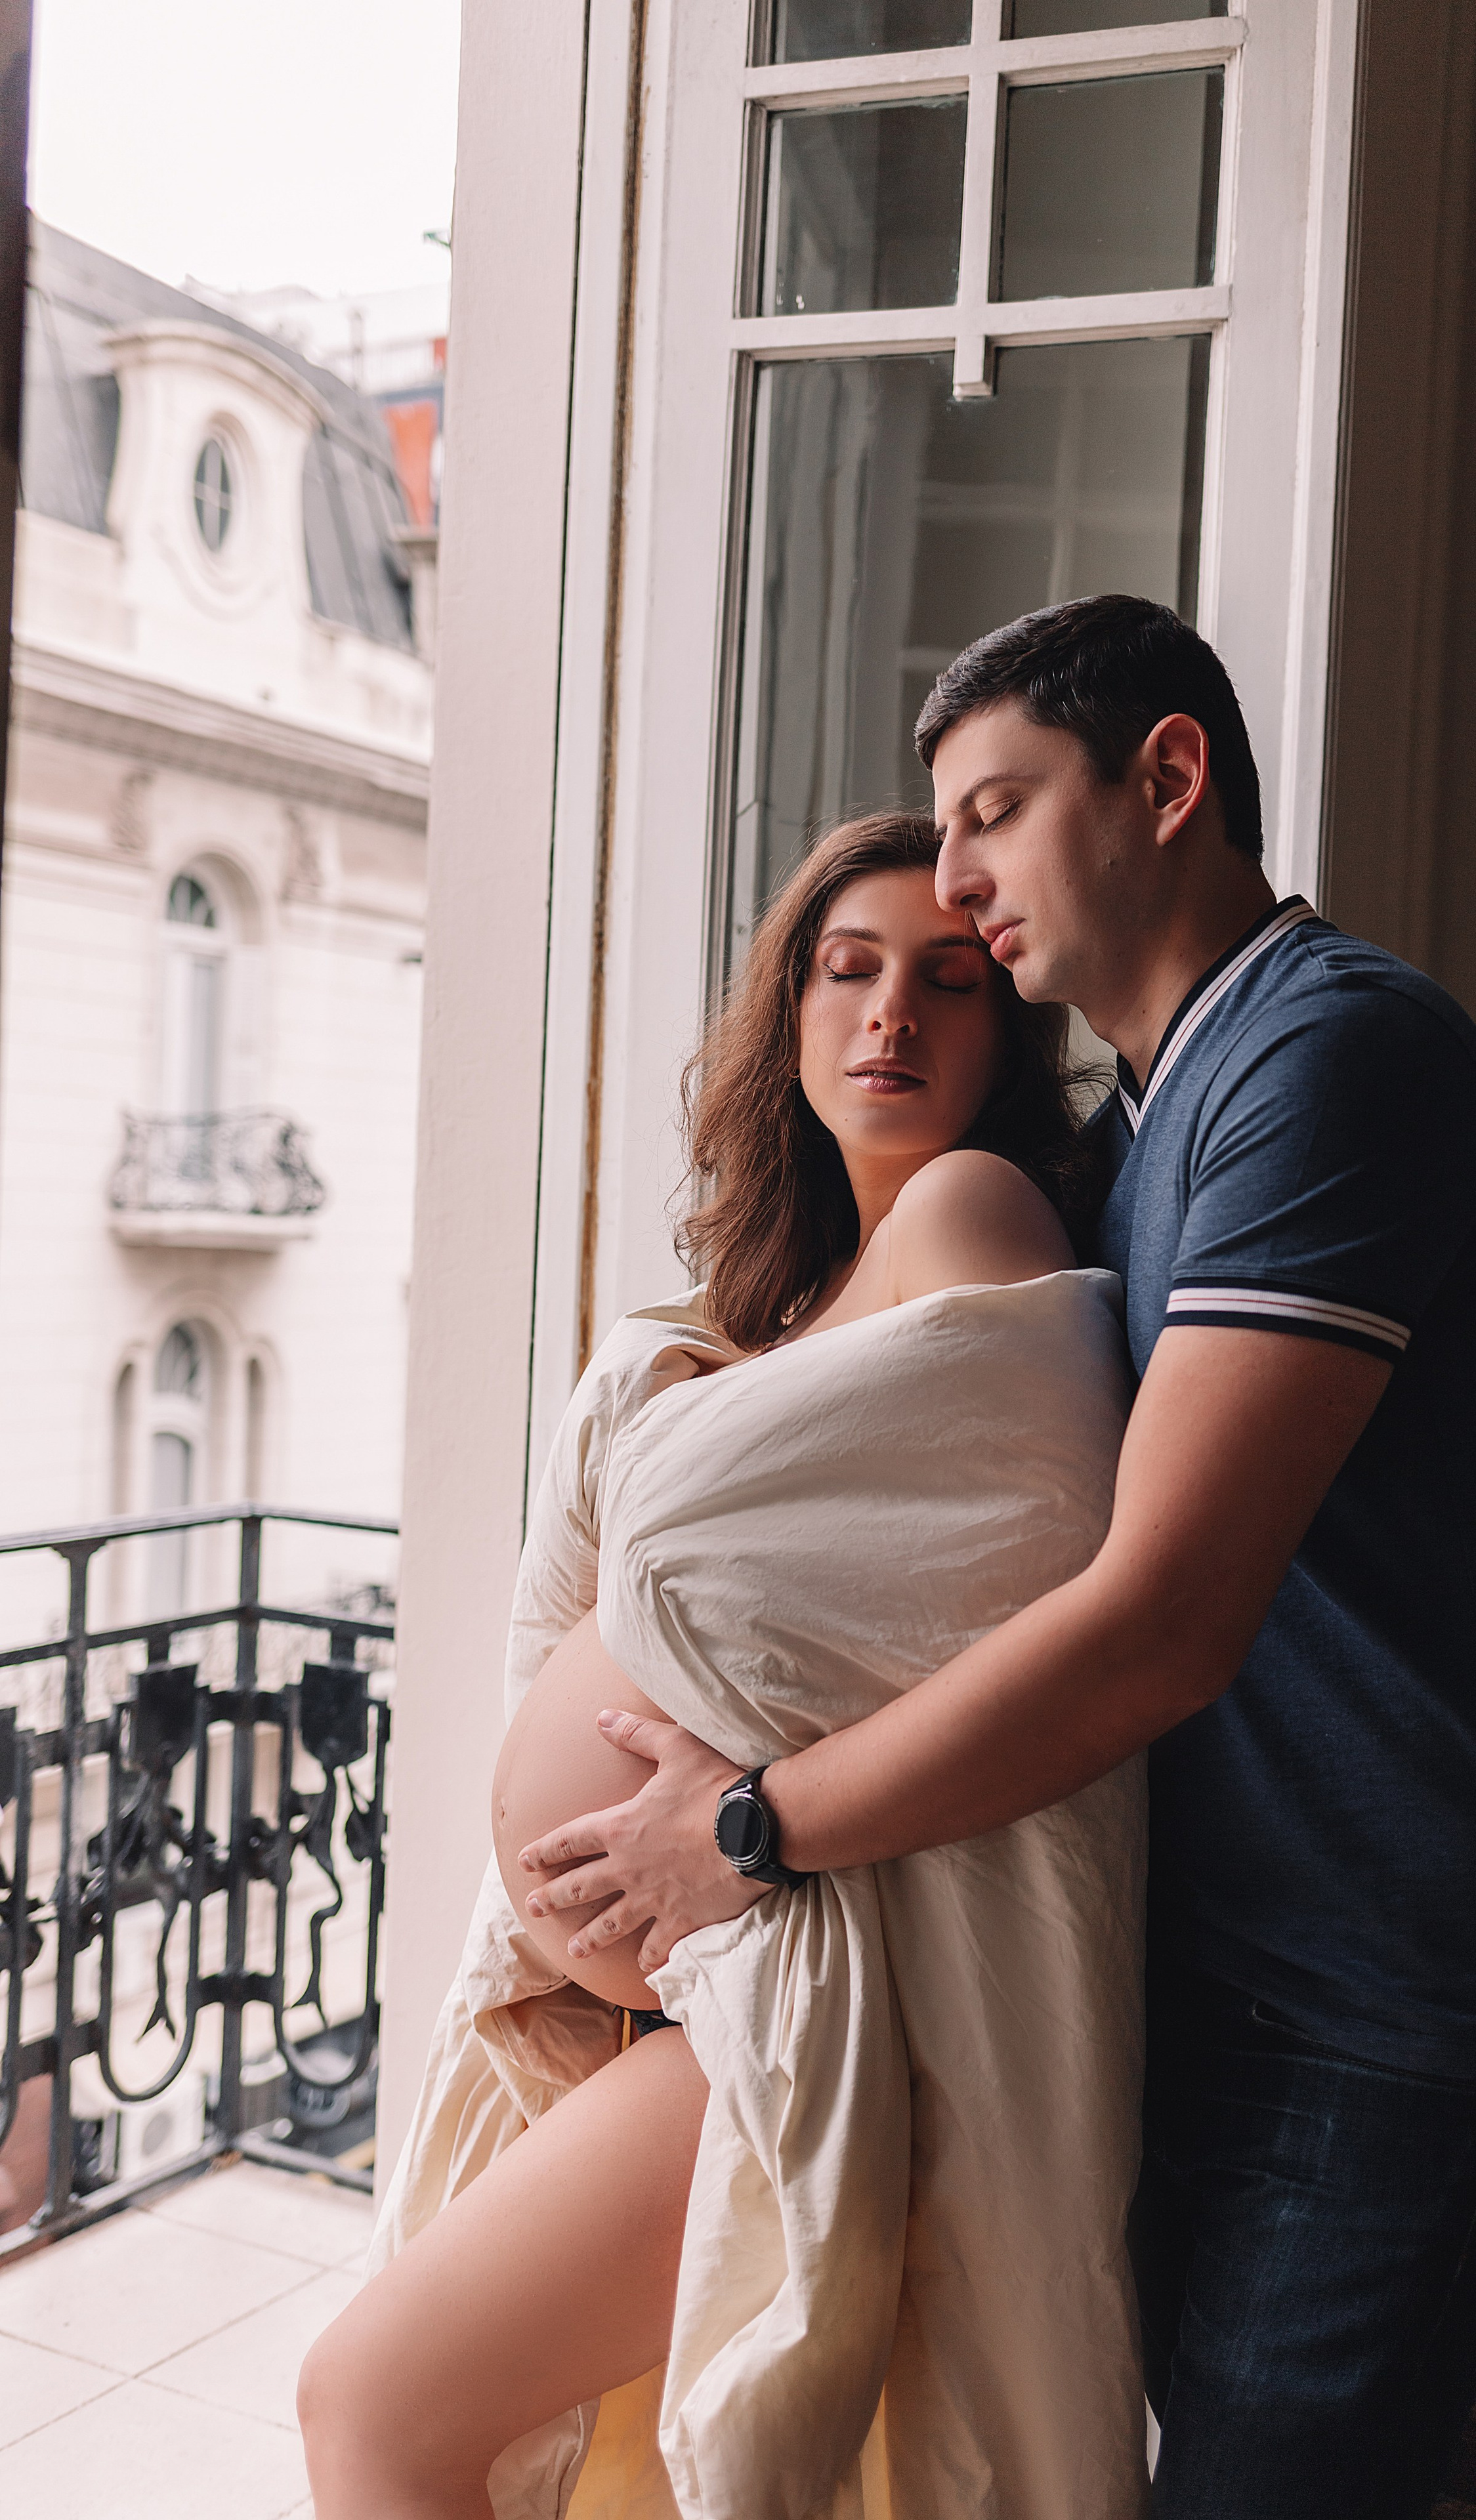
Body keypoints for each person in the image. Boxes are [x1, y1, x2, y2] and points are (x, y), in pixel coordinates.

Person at [533, 596, 1476, 2519]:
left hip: (1390, 2014)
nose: (956, 883)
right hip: (1236, 1970)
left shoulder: (1328, 1063)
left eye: (992, 811)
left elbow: (1156, 1624)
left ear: (1168, 780)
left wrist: (742, 1833)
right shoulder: (1151, 1121)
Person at [299, 812, 1153, 2520]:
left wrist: (742, 1809)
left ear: (1012, 1032)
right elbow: (583, 1625)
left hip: (806, 1964)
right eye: (846, 971)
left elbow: (973, 1592)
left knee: (376, 2401)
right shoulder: (761, 1307)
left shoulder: (978, 1217)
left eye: (947, 977)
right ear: (791, 1016)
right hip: (661, 1998)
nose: (889, 1014)